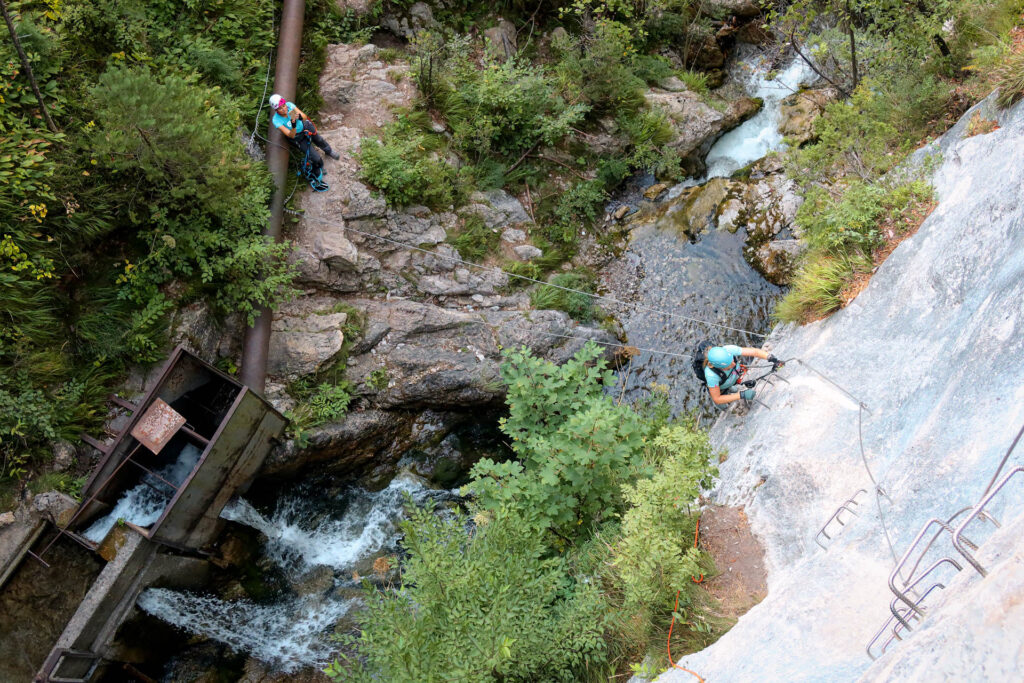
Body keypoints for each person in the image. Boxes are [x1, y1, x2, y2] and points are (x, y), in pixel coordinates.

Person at [269, 93, 339, 183]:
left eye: (284, 106)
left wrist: (300, 116)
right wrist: (293, 126)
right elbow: (290, 135)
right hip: (297, 137)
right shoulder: (276, 120)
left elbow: (304, 117)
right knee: (315, 157)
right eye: (280, 108)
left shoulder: (290, 106)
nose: (284, 109)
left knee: (319, 139)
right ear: (276, 110)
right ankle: (319, 166)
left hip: (305, 126)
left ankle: (328, 151)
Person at [702, 345, 780, 406]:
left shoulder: (728, 350)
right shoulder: (711, 376)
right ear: (719, 367)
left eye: (732, 360)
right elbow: (717, 399)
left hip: (732, 378)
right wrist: (742, 395)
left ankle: (732, 388)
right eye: (729, 365)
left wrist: (770, 357)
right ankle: (727, 404)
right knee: (723, 405)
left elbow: (754, 352)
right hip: (721, 387)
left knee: (734, 389)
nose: (733, 364)